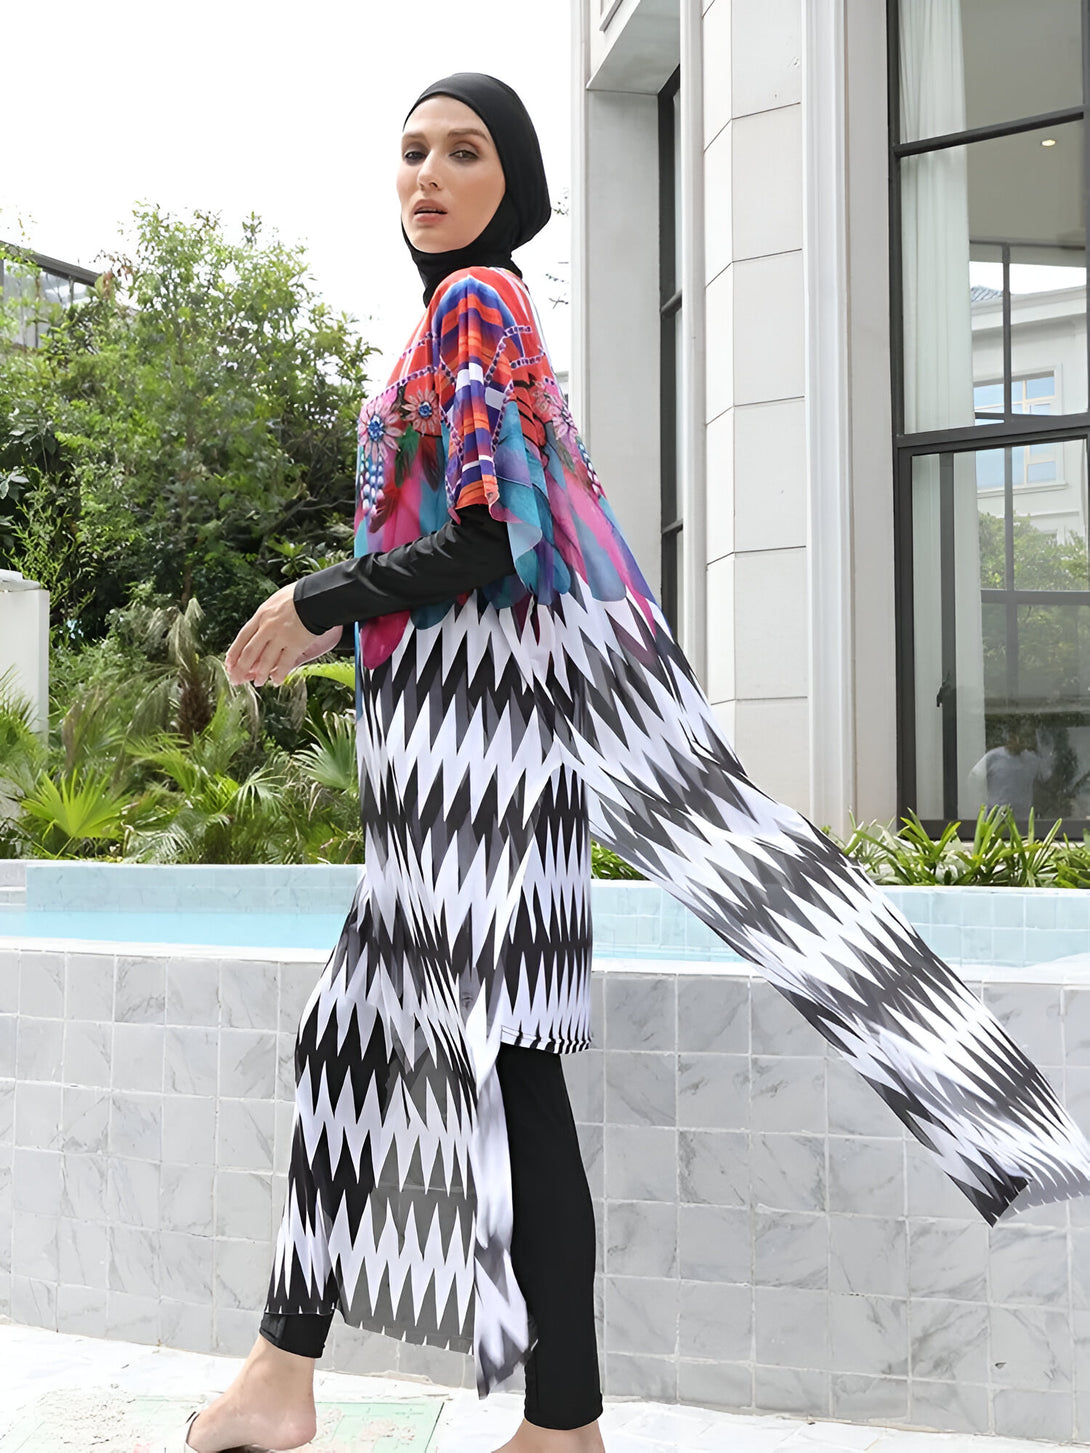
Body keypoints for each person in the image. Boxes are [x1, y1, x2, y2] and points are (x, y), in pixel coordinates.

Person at [183, 70, 1090, 1453]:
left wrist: (323, 599)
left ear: (516, 181)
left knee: (499, 1060)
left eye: (464, 151)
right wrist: (346, 620)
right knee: (356, 1041)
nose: (426, 175)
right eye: (411, 152)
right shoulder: (452, 315)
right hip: (448, 742)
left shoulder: (479, 306)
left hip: (482, 740)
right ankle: (285, 1371)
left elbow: (496, 540)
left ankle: (554, 1423)